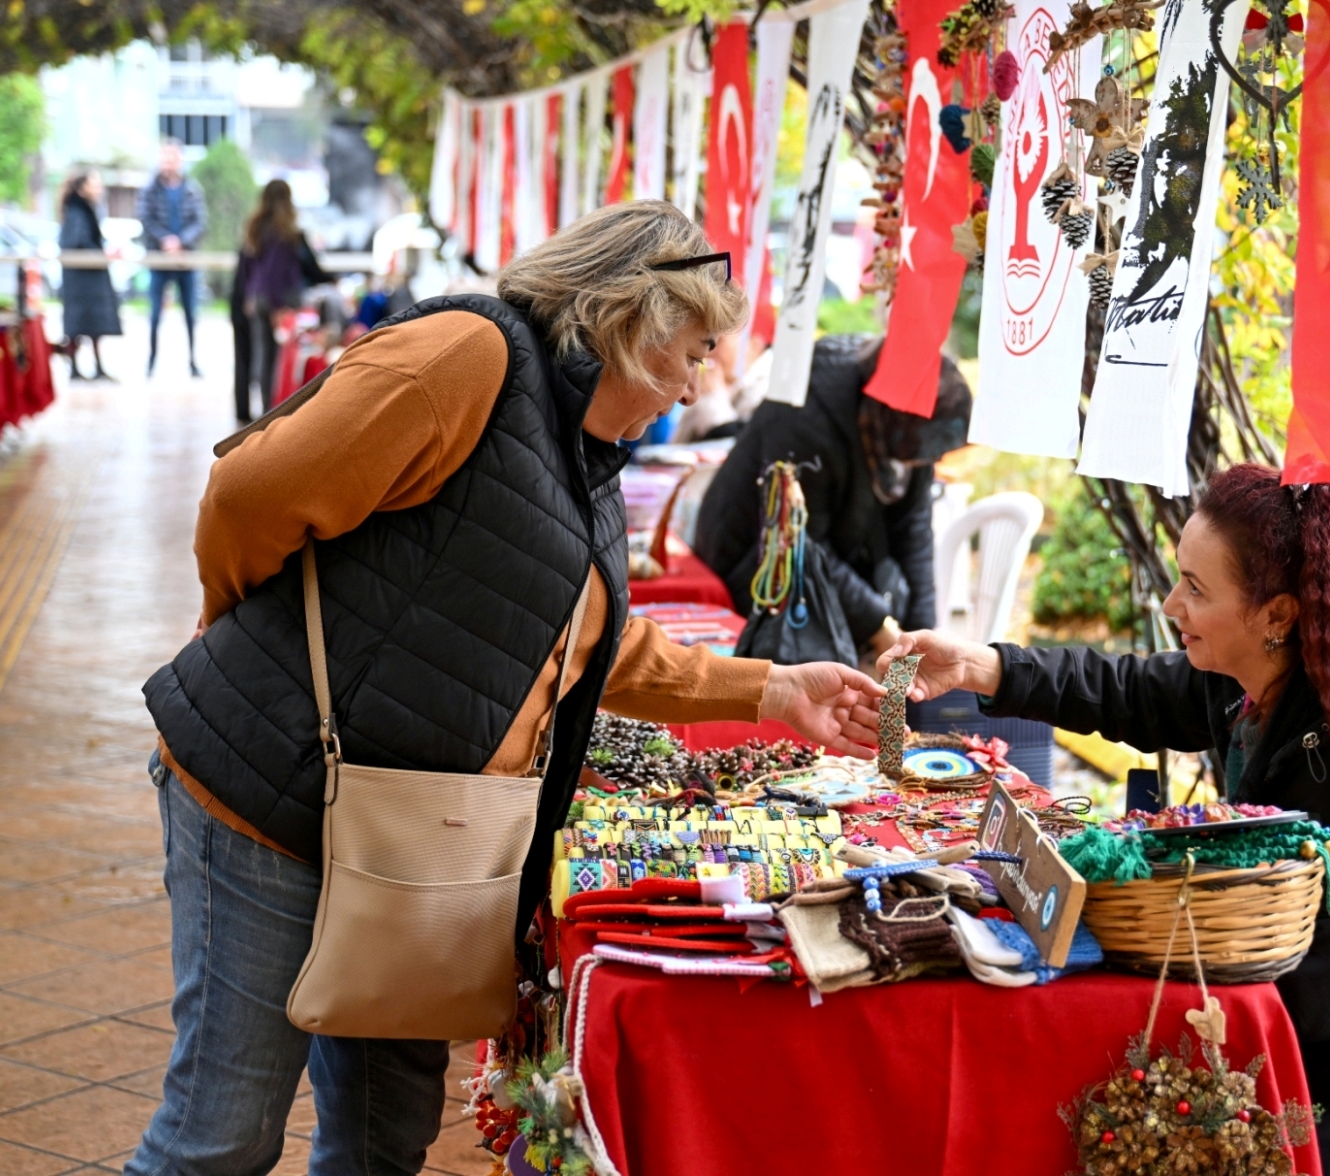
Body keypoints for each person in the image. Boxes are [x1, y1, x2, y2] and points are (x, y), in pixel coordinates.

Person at [131, 201, 882, 1176]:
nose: (699, 382)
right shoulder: (466, 356)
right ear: (628, 316)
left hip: (409, 840)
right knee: (220, 1136)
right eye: (691, 350)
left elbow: (582, 647)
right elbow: (249, 499)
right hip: (267, 798)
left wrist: (773, 690)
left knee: (381, 1141)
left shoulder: (583, 449)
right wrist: (241, 633)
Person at [878, 464, 1330, 1176]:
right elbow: (1130, 690)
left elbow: (1316, 1002)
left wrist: (1147, 937)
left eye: (1195, 589)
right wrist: (985, 667)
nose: (1170, 604)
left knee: (1112, 1097)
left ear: (1277, 616)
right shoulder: (1263, 677)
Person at [694, 335, 972, 667]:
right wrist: (878, 625)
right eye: (928, 450)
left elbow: (912, 530)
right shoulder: (807, 411)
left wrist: (922, 634)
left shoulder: (907, 413)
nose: (934, 458)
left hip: (829, 572)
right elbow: (802, 543)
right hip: (755, 568)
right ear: (896, 423)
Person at [236, 179, 330, 421]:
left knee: (262, 356)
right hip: (279, 301)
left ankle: (266, 411)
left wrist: (250, 297)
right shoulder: (285, 232)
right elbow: (276, 272)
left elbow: (247, 268)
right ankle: (274, 412)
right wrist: (279, 306)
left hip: (257, 299)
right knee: (280, 359)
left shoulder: (254, 228)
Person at [136, 138, 206, 378]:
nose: (169, 162)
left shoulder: (191, 188)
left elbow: (199, 221)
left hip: (186, 259)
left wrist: (181, 242)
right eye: (165, 157)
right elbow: (145, 219)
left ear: (180, 160)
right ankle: (151, 361)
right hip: (159, 259)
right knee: (155, 314)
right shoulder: (149, 189)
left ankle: (194, 361)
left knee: (191, 313)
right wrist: (165, 240)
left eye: (173, 157)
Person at [56, 168, 121, 381]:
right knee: (79, 324)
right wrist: (102, 254)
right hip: (81, 280)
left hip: (86, 279)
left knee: (91, 325)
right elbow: (79, 243)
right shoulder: (77, 211)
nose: (99, 188)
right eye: (95, 184)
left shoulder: (83, 209)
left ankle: (94, 367)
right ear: (83, 188)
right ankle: (75, 367)